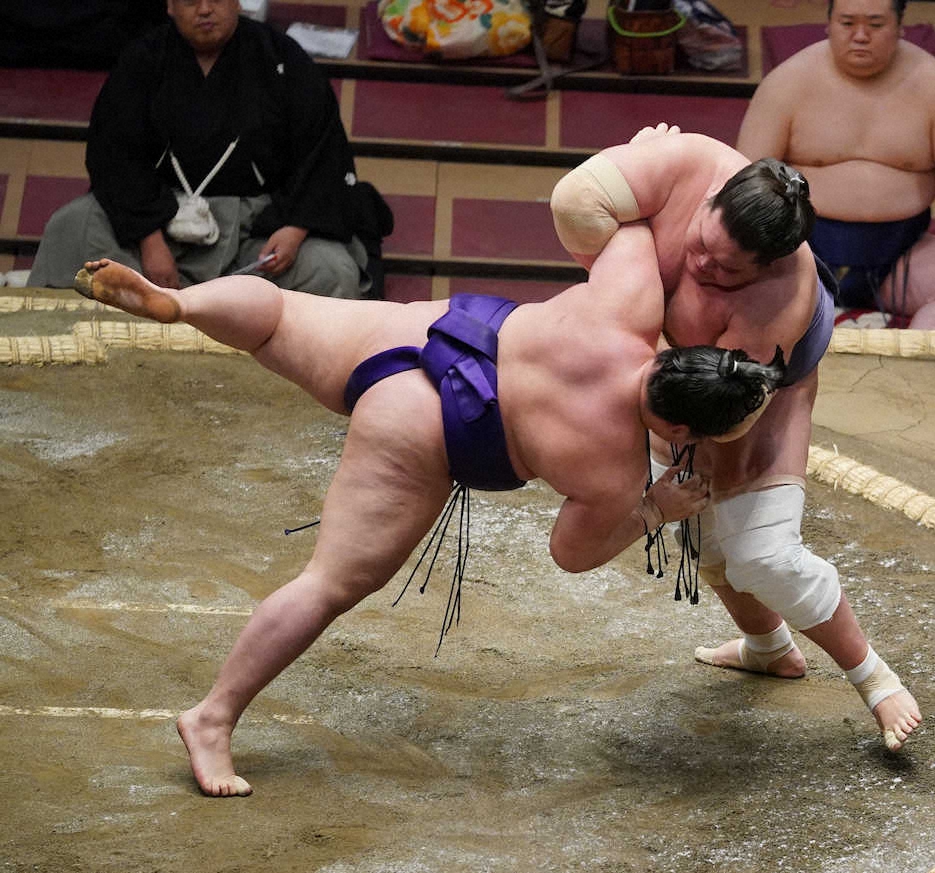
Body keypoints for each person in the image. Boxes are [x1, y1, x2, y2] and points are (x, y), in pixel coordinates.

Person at [72, 222, 785, 796]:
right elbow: (569, 552)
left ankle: (186, 303)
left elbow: (617, 208)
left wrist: (672, 172)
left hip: (418, 334)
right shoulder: (613, 468)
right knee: (328, 585)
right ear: (682, 431)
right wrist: (654, 508)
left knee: (278, 315)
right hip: (421, 429)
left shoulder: (626, 302)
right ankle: (212, 715)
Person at [549, 126, 922, 751]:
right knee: (706, 538)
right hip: (673, 372)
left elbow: (729, 409)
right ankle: (770, 649)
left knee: (762, 553)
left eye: (726, 270)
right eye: (702, 242)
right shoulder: (686, 164)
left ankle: (875, 679)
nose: (700, 264)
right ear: (712, 198)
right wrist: (630, 199)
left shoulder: (779, 301)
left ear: (767, 266)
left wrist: (666, 453)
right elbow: (572, 200)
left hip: (754, 397)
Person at [28, 0, 391, 297]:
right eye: (190, 1)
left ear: (237, 3)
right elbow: (114, 155)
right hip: (157, 226)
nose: (204, 10)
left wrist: (295, 230)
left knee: (331, 269)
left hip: (255, 233)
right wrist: (150, 241)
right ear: (169, 6)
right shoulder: (142, 59)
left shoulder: (281, 59)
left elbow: (323, 152)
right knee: (70, 226)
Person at [737, 0, 935, 329]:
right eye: (847, 23)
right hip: (799, 253)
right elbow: (747, 179)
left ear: (900, 28)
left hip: (902, 253)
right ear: (828, 24)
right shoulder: (787, 83)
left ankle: (925, 338)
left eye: (875, 25)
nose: (860, 35)